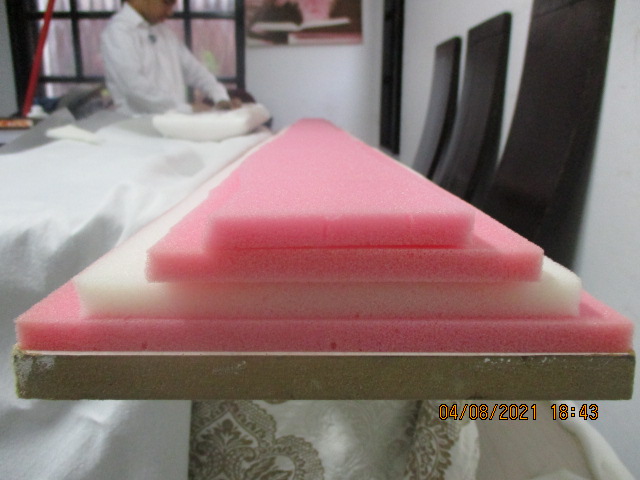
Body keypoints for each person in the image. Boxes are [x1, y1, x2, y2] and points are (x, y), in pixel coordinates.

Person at [101, 0, 239, 115]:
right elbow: (135, 89)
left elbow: (195, 71)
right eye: (166, 3)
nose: (170, 12)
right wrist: (187, 109)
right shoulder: (118, 32)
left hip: (172, 124)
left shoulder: (163, 32)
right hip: (137, 128)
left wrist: (220, 97)